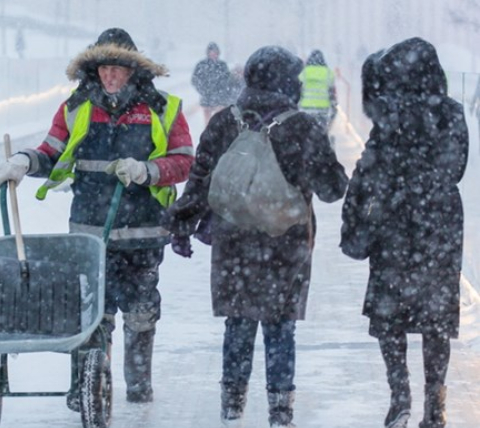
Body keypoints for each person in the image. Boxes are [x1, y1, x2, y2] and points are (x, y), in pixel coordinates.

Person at [0, 28, 194, 407]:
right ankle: (86, 389)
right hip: (88, 235)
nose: (110, 77)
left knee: (140, 312)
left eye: (118, 69)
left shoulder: (163, 108)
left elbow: (184, 161)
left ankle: (138, 387)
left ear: (133, 70)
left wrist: (147, 170)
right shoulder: (76, 107)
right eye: (104, 68)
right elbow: (51, 151)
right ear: (95, 69)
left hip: (143, 232)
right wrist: (25, 161)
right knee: (90, 316)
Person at [162, 45, 348, 427]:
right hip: (287, 243)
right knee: (280, 326)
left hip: (235, 244)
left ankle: (232, 408)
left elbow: (200, 181)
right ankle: (281, 411)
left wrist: (182, 224)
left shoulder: (225, 123)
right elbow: (332, 188)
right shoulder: (301, 127)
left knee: (239, 323)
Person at [340, 38, 469, 428]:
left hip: (393, 225)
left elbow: (370, 168)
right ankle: (436, 405)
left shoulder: (390, 113)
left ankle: (400, 398)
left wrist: (356, 214)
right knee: (436, 322)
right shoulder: (451, 113)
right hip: (440, 226)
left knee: (390, 316)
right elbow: (456, 168)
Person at [191, 42, 236, 124]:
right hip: (207, 98)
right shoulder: (202, 65)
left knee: (220, 120)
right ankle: (208, 134)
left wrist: (224, 92)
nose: (213, 54)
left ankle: (218, 134)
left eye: (215, 52)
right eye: (212, 52)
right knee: (208, 122)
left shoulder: (222, 65)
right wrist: (203, 91)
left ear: (218, 53)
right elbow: (195, 80)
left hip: (220, 99)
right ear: (208, 53)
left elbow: (228, 81)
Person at [298, 50, 337, 135]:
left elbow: (299, 90)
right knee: (321, 132)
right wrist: (334, 107)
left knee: (305, 132)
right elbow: (332, 94)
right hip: (322, 109)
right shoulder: (328, 73)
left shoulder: (303, 73)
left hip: (305, 108)